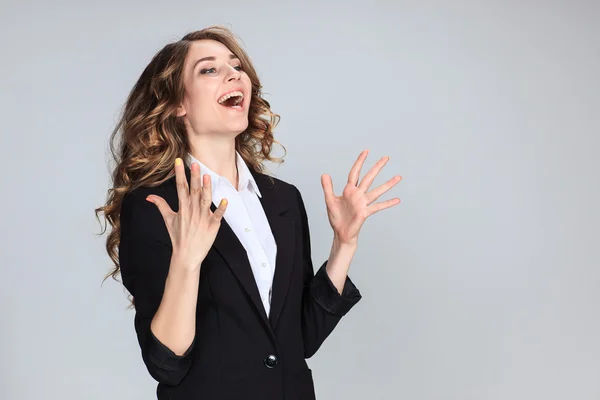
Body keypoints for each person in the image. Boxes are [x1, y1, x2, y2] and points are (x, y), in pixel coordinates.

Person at [96, 25, 402, 400]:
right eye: (209, 69)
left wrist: (344, 245)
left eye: (236, 66)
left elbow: (299, 339)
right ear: (178, 104)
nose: (233, 74)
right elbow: (166, 364)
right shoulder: (156, 206)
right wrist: (187, 263)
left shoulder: (282, 200)